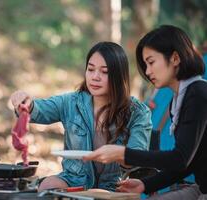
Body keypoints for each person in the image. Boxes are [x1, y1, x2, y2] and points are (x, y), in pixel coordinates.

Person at [83, 25, 207, 200]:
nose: (148, 72)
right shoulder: (180, 99)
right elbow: (189, 163)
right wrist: (145, 185)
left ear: (175, 58)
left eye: (151, 62)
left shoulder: (198, 94)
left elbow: (180, 158)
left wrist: (123, 153)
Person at [10, 41, 152, 191]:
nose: (95, 77)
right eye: (91, 69)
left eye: (105, 72)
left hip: (114, 186)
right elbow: (38, 110)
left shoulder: (138, 112)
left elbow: (137, 156)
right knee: (48, 186)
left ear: (119, 76)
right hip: (73, 180)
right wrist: (26, 103)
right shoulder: (71, 102)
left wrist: (117, 154)